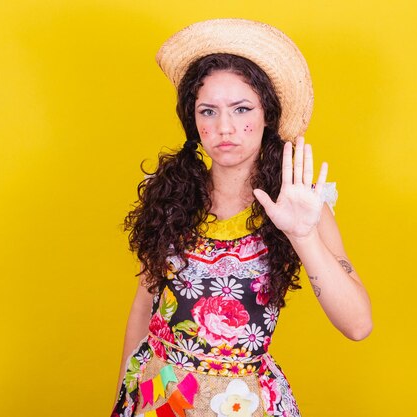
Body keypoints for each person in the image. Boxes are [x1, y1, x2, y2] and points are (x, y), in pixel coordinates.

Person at [112, 19, 372, 417]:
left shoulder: (301, 204)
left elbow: (358, 325)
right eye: (208, 111)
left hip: (242, 403)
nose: (224, 127)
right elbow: (144, 305)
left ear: (268, 114)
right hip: (157, 396)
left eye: (242, 108)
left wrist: (302, 234)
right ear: (192, 119)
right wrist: (123, 396)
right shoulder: (172, 194)